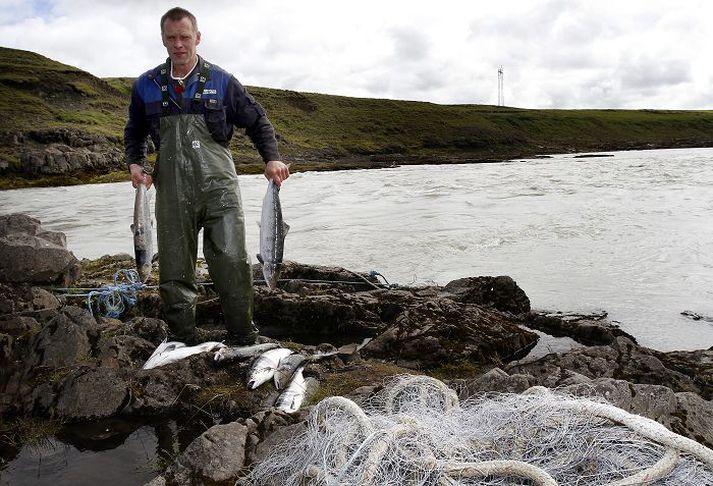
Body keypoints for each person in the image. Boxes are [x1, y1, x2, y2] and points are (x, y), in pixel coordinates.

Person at [124, 6, 289, 345]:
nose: (179, 44)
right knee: (174, 268)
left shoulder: (223, 81)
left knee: (231, 261)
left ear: (197, 37)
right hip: (171, 191)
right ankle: (182, 339)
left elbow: (258, 121)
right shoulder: (146, 85)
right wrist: (136, 163)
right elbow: (135, 130)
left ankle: (243, 335)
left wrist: (271, 159)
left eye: (185, 37)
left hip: (220, 190)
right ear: (163, 40)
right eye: (171, 38)